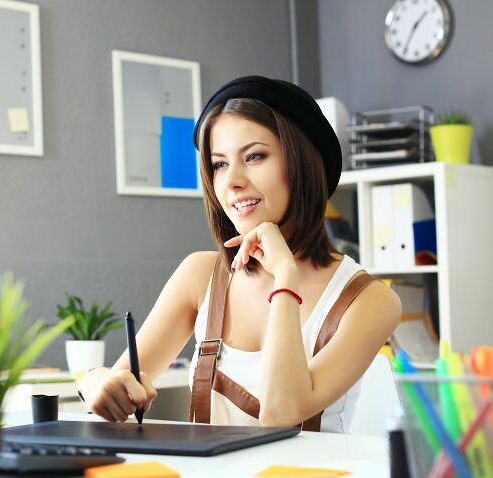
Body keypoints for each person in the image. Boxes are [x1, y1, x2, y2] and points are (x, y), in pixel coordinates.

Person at [77, 76, 401, 432]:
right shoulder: (200, 275)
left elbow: (282, 412)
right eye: (219, 164)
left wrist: (285, 278)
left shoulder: (370, 300)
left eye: (254, 156)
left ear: (303, 163)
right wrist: (95, 382)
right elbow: (124, 379)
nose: (231, 181)